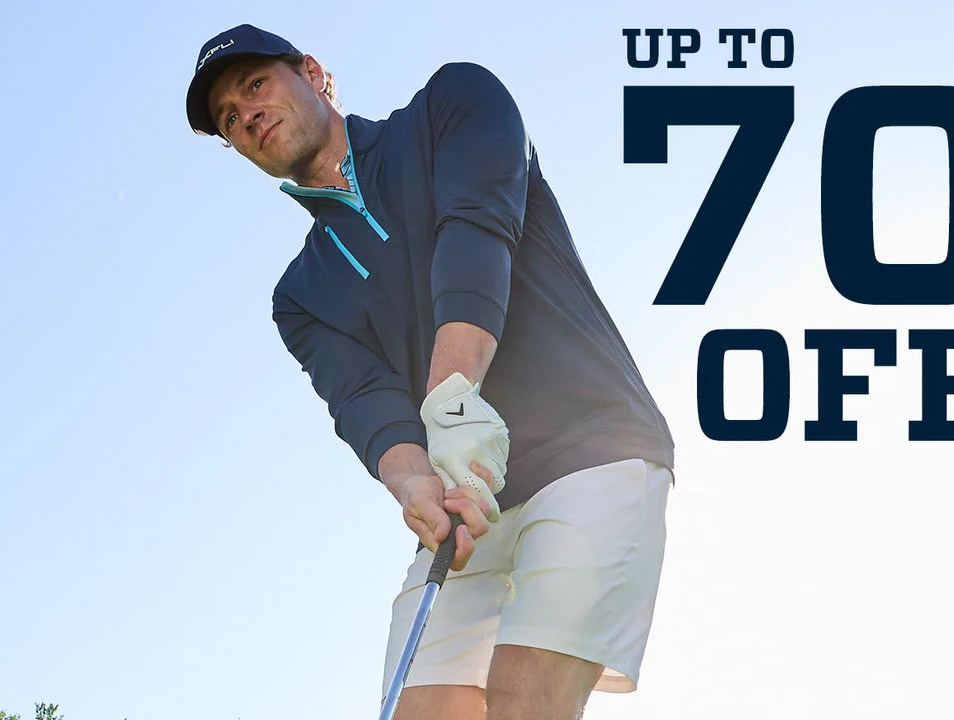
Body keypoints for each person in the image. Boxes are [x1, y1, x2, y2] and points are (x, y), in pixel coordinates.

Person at [182, 24, 680, 720]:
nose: (248, 115)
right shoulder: (299, 294)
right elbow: (363, 400)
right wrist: (413, 480)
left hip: (593, 448)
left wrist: (451, 395)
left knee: (522, 697)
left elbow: (475, 232)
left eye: (255, 86)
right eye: (229, 120)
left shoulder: (452, 104)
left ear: (312, 73)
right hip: (464, 509)